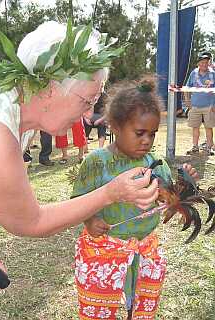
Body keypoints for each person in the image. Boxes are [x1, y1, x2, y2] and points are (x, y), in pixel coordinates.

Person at [0, 20, 159, 299]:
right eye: (86, 101)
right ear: (50, 89)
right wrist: (111, 193)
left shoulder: (17, 108)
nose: (88, 115)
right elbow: (29, 222)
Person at [72, 77, 198, 320]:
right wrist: (89, 220)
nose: (147, 141)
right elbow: (79, 198)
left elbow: (168, 199)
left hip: (144, 251)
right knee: (101, 308)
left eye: (152, 134)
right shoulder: (96, 163)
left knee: (138, 305)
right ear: (115, 126)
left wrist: (185, 187)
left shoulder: (155, 163)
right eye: (139, 133)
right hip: (105, 252)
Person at [185, 53, 215, 155]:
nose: (204, 64)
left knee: (208, 127)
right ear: (198, 63)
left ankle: (209, 147)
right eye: (202, 62)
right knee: (195, 127)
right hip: (195, 106)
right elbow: (187, 88)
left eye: (206, 62)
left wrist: (214, 104)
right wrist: (187, 101)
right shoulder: (193, 73)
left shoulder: (212, 74)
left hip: (209, 106)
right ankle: (195, 146)